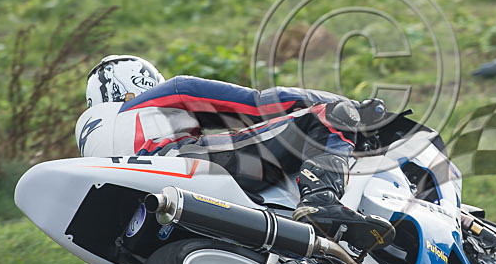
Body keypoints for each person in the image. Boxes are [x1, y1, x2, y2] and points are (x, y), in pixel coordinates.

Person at [76, 55, 393, 249]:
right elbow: (257, 104)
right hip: (181, 164)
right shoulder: (160, 98)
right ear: (139, 80)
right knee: (327, 115)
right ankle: (320, 199)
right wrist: (349, 107)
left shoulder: (92, 139)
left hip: (141, 210)